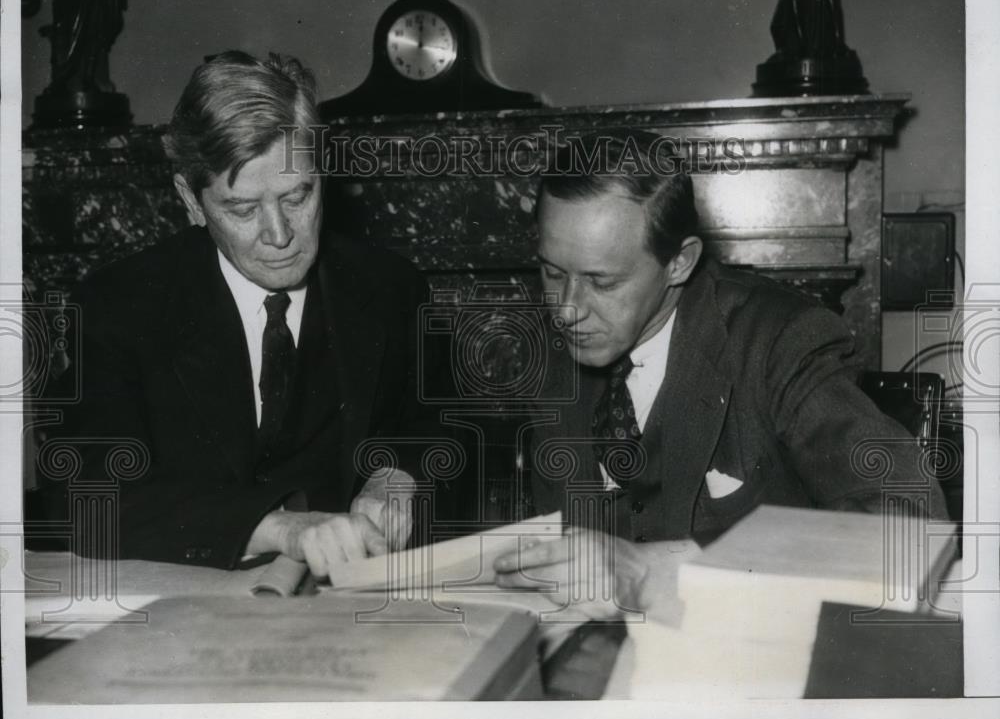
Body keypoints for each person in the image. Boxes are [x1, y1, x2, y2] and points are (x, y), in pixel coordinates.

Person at [494, 130, 949, 621]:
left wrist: (659, 567)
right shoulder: (555, 352)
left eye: (601, 281)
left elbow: (909, 524)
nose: (566, 310)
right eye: (552, 272)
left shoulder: (780, 340)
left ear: (679, 262)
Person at [40, 51, 440, 577]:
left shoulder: (390, 288)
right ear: (190, 199)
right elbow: (84, 492)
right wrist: (276, 529)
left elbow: (435, 425)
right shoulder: (118, 306)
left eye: (298, 195)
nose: (280, 236)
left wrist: (398, 476)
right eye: (243, 209)